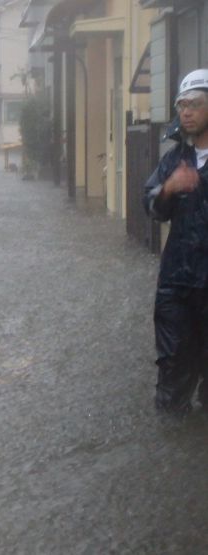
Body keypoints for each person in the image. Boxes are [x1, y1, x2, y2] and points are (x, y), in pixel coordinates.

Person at [143, 68, 208, 416]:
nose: (186, 111)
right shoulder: (174, 160)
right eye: (182, 104)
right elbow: (150, 205)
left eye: (195, 104)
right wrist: (168, 188)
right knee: (173, 376)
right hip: (177, 285)